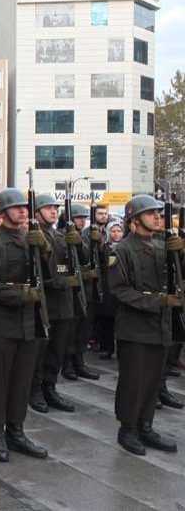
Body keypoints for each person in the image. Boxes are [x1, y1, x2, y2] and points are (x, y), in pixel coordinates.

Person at [0, 188, 49, 463]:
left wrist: (45, 249)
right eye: (16, 207)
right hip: (0, 324)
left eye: (24, 207)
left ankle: (16, 431)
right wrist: (21, 294)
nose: (22, 211)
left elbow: (48, 275)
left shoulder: (32, 239)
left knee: (21, 381)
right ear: (2, 211)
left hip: (29, 323)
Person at [108, 195, 179, 455]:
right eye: (150, 213)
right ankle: (128, 429)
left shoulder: (162, 246)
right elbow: (119, 290)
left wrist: (180, 253)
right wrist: (158, 301)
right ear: (134, 220)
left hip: (160, 327)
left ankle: (145, 426)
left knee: (153, 381)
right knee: (133, 382)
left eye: (158, 213)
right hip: (134, 329)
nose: (157, 217)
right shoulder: (121, 250)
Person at [27, 194, 78, 415]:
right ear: (37, 212)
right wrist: (59, 279)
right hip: (44, 301)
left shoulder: (60, 235)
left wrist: (78, 244)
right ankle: (34, 390)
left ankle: (50, 387)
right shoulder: (32, 236)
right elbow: (38, 270)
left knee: (57, 350)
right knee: (40, 351)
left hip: (63, 303)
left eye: (55, 208)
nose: (53, 211)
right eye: (48, 208)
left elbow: (69, 264)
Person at [64, 202, 100, 381]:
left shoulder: (85, 237)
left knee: (83, 330)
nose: (82, 221)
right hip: (71, 292)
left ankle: (79, 362)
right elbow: (62, 266)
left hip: (86, 291)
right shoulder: (62, 237)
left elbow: (89, 259)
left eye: (84, 218)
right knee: (70, 331)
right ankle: (68, 364)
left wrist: (96, 242)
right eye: (78, 218)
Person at [94, 221, 123, 359]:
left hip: (122, 289)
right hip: (107, 289)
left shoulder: (126, 247)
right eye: (113, 231)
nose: (116, 234)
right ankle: (107, 348)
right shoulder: (103, 248)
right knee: (107, 321)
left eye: (119, 231)